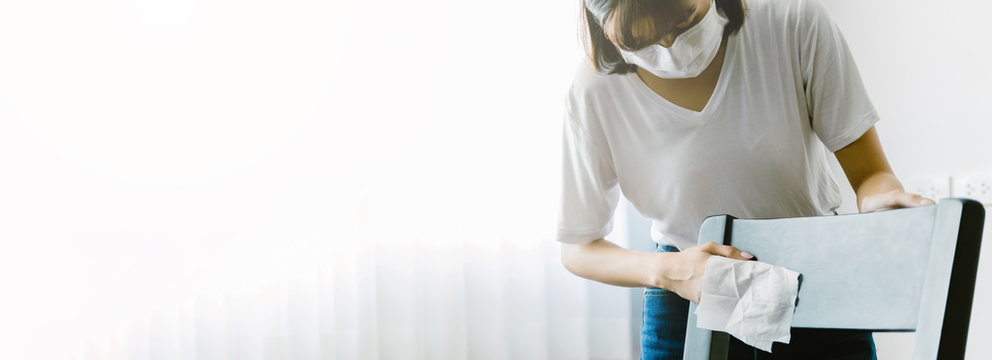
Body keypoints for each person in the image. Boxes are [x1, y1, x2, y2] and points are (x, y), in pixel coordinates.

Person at [556, 0, 935, 358]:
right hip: (689, 295)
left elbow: (870, 174)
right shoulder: (592, 91)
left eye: (685, 20)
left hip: (816, 282)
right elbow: (578, 247)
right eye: (640, 40)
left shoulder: (791, 21)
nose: (670, 48)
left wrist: (881, 198)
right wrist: (670, 272)